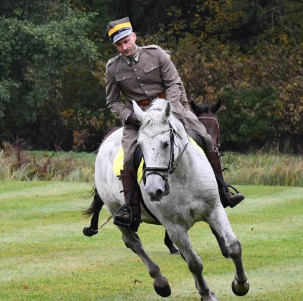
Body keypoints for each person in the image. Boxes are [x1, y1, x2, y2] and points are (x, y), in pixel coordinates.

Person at [104, 17, 244, 229]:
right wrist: (130, 117)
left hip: (170, 109)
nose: (124, 47)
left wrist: (165, 110)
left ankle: (222, 190)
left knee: (206, 138)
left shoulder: (156, 53)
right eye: (119, 45)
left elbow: (174, 83)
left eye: (126, 41)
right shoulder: (113, 68)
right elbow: (113, 101)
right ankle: (131, 209)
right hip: (138, 119)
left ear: (134, 36)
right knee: (128, 157)